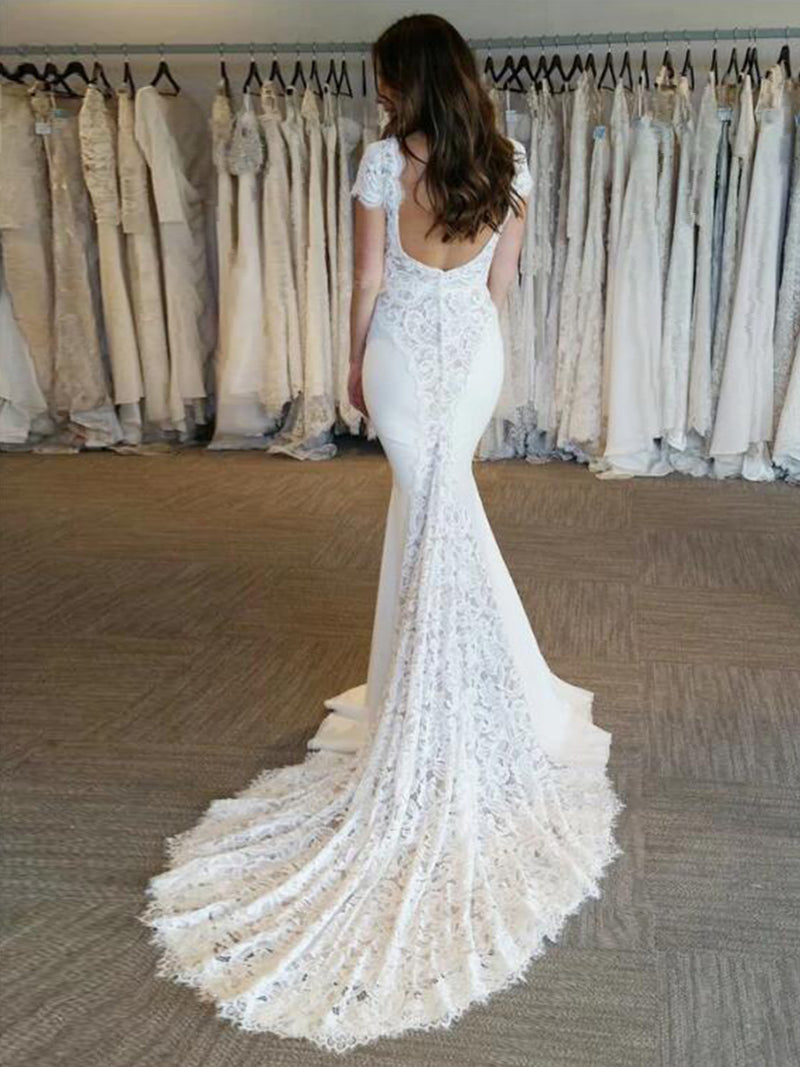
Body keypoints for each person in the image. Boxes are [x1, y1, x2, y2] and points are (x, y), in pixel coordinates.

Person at [139, 14, 625, 1056]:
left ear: (406, 81)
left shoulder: (378, 163)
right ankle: (462, 678)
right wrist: (471, 349)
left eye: (383, 80)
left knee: (434, 512)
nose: (378, 95)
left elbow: (366, 283)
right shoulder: (508, 161)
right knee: (444, 513)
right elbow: (500, 285)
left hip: (405, 351)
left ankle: (452, 687)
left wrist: (355, 368)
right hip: (473, 350)